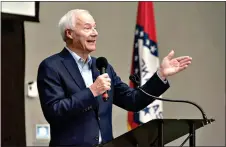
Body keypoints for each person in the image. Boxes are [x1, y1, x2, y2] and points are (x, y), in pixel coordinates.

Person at [37, 9, 192, 147]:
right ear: (69, 33)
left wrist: (161, 75)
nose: (95, 33)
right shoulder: (52, 67)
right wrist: (91, 91)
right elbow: (54, 111)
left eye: (95, 27)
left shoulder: (102, 66)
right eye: (87, 28)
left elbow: (133, 100)